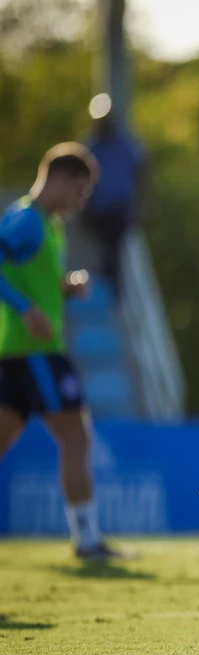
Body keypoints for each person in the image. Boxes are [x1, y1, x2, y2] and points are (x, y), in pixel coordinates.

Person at [0, 143, 122, 560]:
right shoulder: (27, 220)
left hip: (18, 351)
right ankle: (87, 541)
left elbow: (25, 276)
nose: (81, 201)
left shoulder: (45, 225)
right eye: (81, 189)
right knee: (76, 437)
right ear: (61, 178)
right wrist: (25, 309)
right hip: (37, 352)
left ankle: (87, 539)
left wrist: (62, 289)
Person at [84, 111, 144, 296]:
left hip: (119, 208)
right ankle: (105, 279)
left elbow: (140, 170)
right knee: (106, 248)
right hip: (98, 209)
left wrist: (142, 204)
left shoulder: (124, 144)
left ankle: (116, 293)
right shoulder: (93, 145)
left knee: (115, 249)